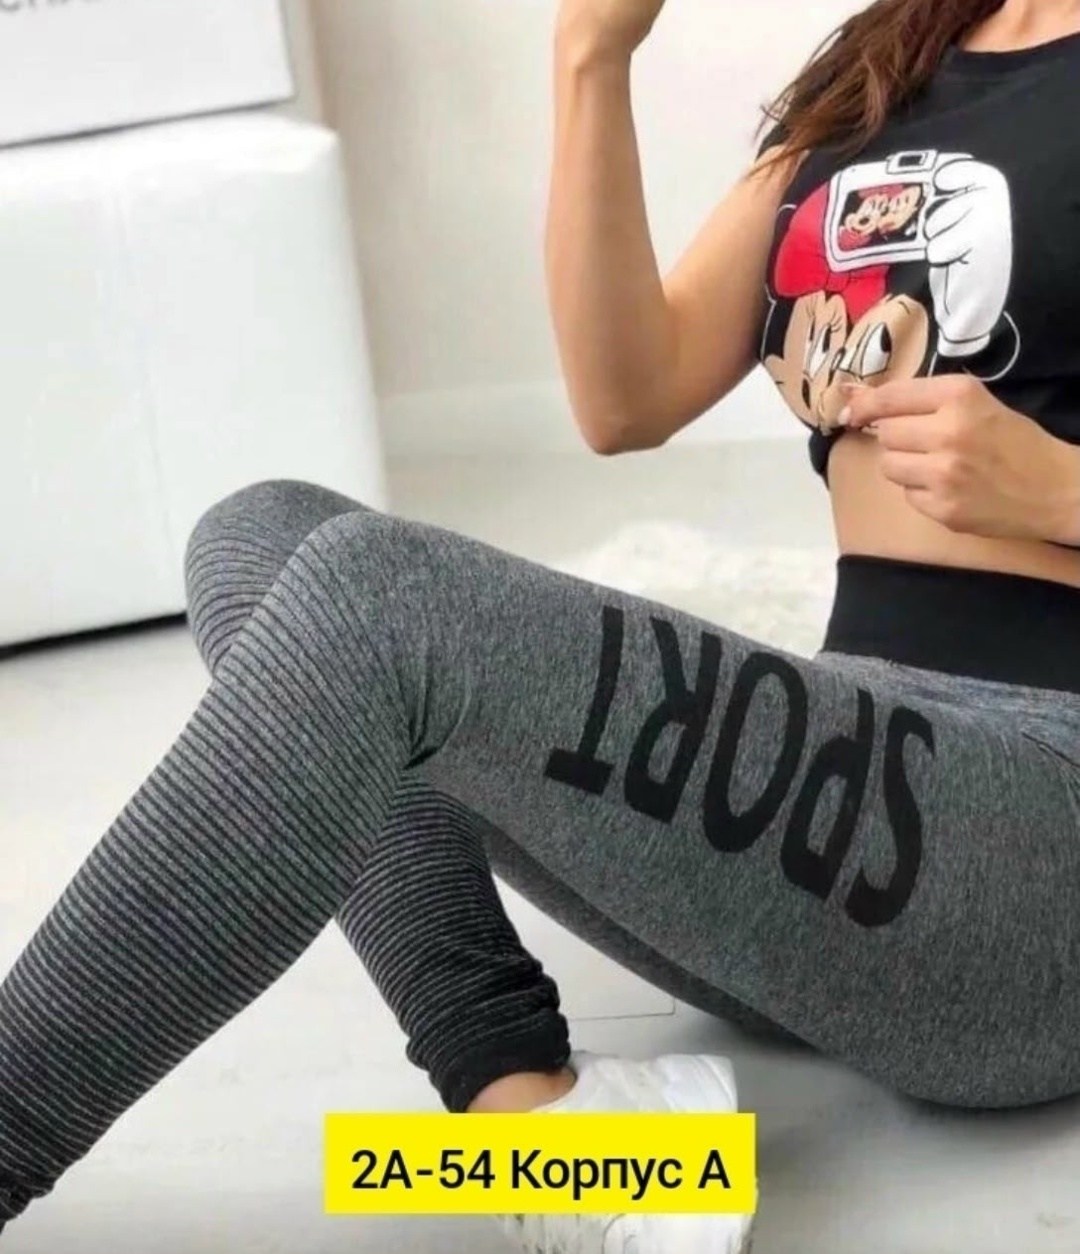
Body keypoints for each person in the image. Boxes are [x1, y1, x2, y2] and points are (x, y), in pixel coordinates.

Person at [4, 0, 1080, 1249]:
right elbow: (628, 393)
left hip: (1038, 835)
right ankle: (550, 1136)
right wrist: (592, 55)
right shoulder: (888, 65)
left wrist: (1056, 487)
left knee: (378, 603)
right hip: (853, 832)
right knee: (263, 535)